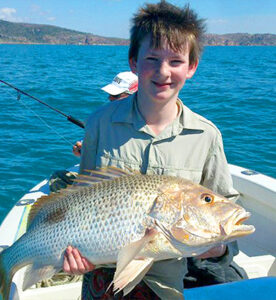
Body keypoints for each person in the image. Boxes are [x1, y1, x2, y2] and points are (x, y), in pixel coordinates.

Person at [63, 1, 247, 299]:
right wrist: (75, 259)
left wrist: (219, 245)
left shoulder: (206, 136)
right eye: (152, 58)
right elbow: (83, 196)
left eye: (176, 61)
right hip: (99, 284)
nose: (163, 71)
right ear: (134, 63)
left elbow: (225, 213)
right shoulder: (99, 122)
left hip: (165, 289)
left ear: (191, 67)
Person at [72, 71, 138, 157]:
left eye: (116, 95)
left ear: (133, 95)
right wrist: (81, 147)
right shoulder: (107, 116)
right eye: (110, 94)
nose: (110, 98)